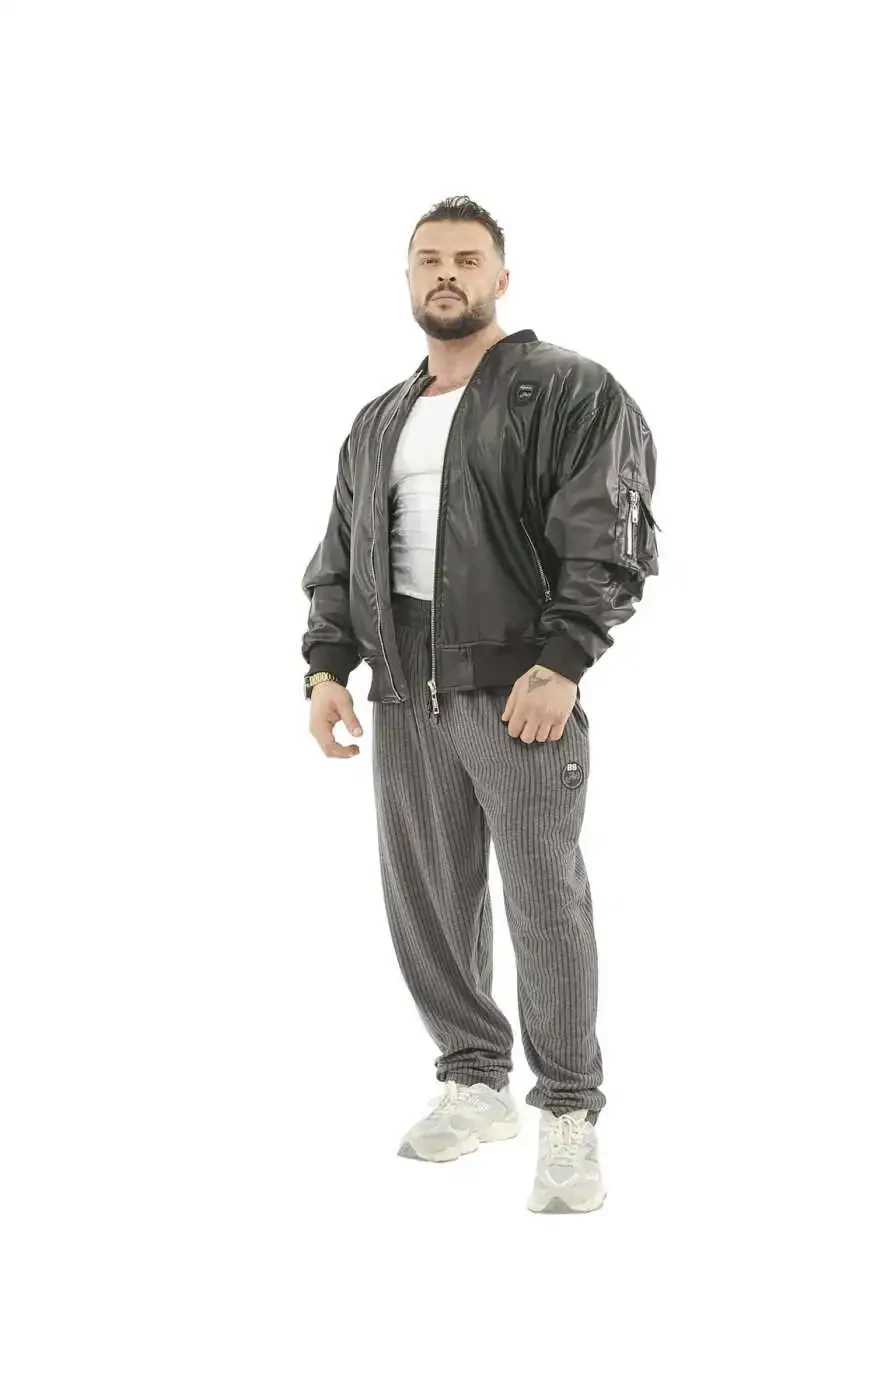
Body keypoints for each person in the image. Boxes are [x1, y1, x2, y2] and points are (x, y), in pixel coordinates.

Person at [301, 195, 659, 1213]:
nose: (446, 273)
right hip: (401, 684)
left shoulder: (568, 388)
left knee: (544, 897)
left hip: (516, 682)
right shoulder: (379, 418)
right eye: (429, 259)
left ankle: (570, 1111)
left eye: (467, 258)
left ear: (502, 277)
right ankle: (473, 1078)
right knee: (427, 893)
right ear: (408, 278)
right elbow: (341, 552)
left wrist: (564, 658)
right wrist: (326, 667)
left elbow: (610, 527)